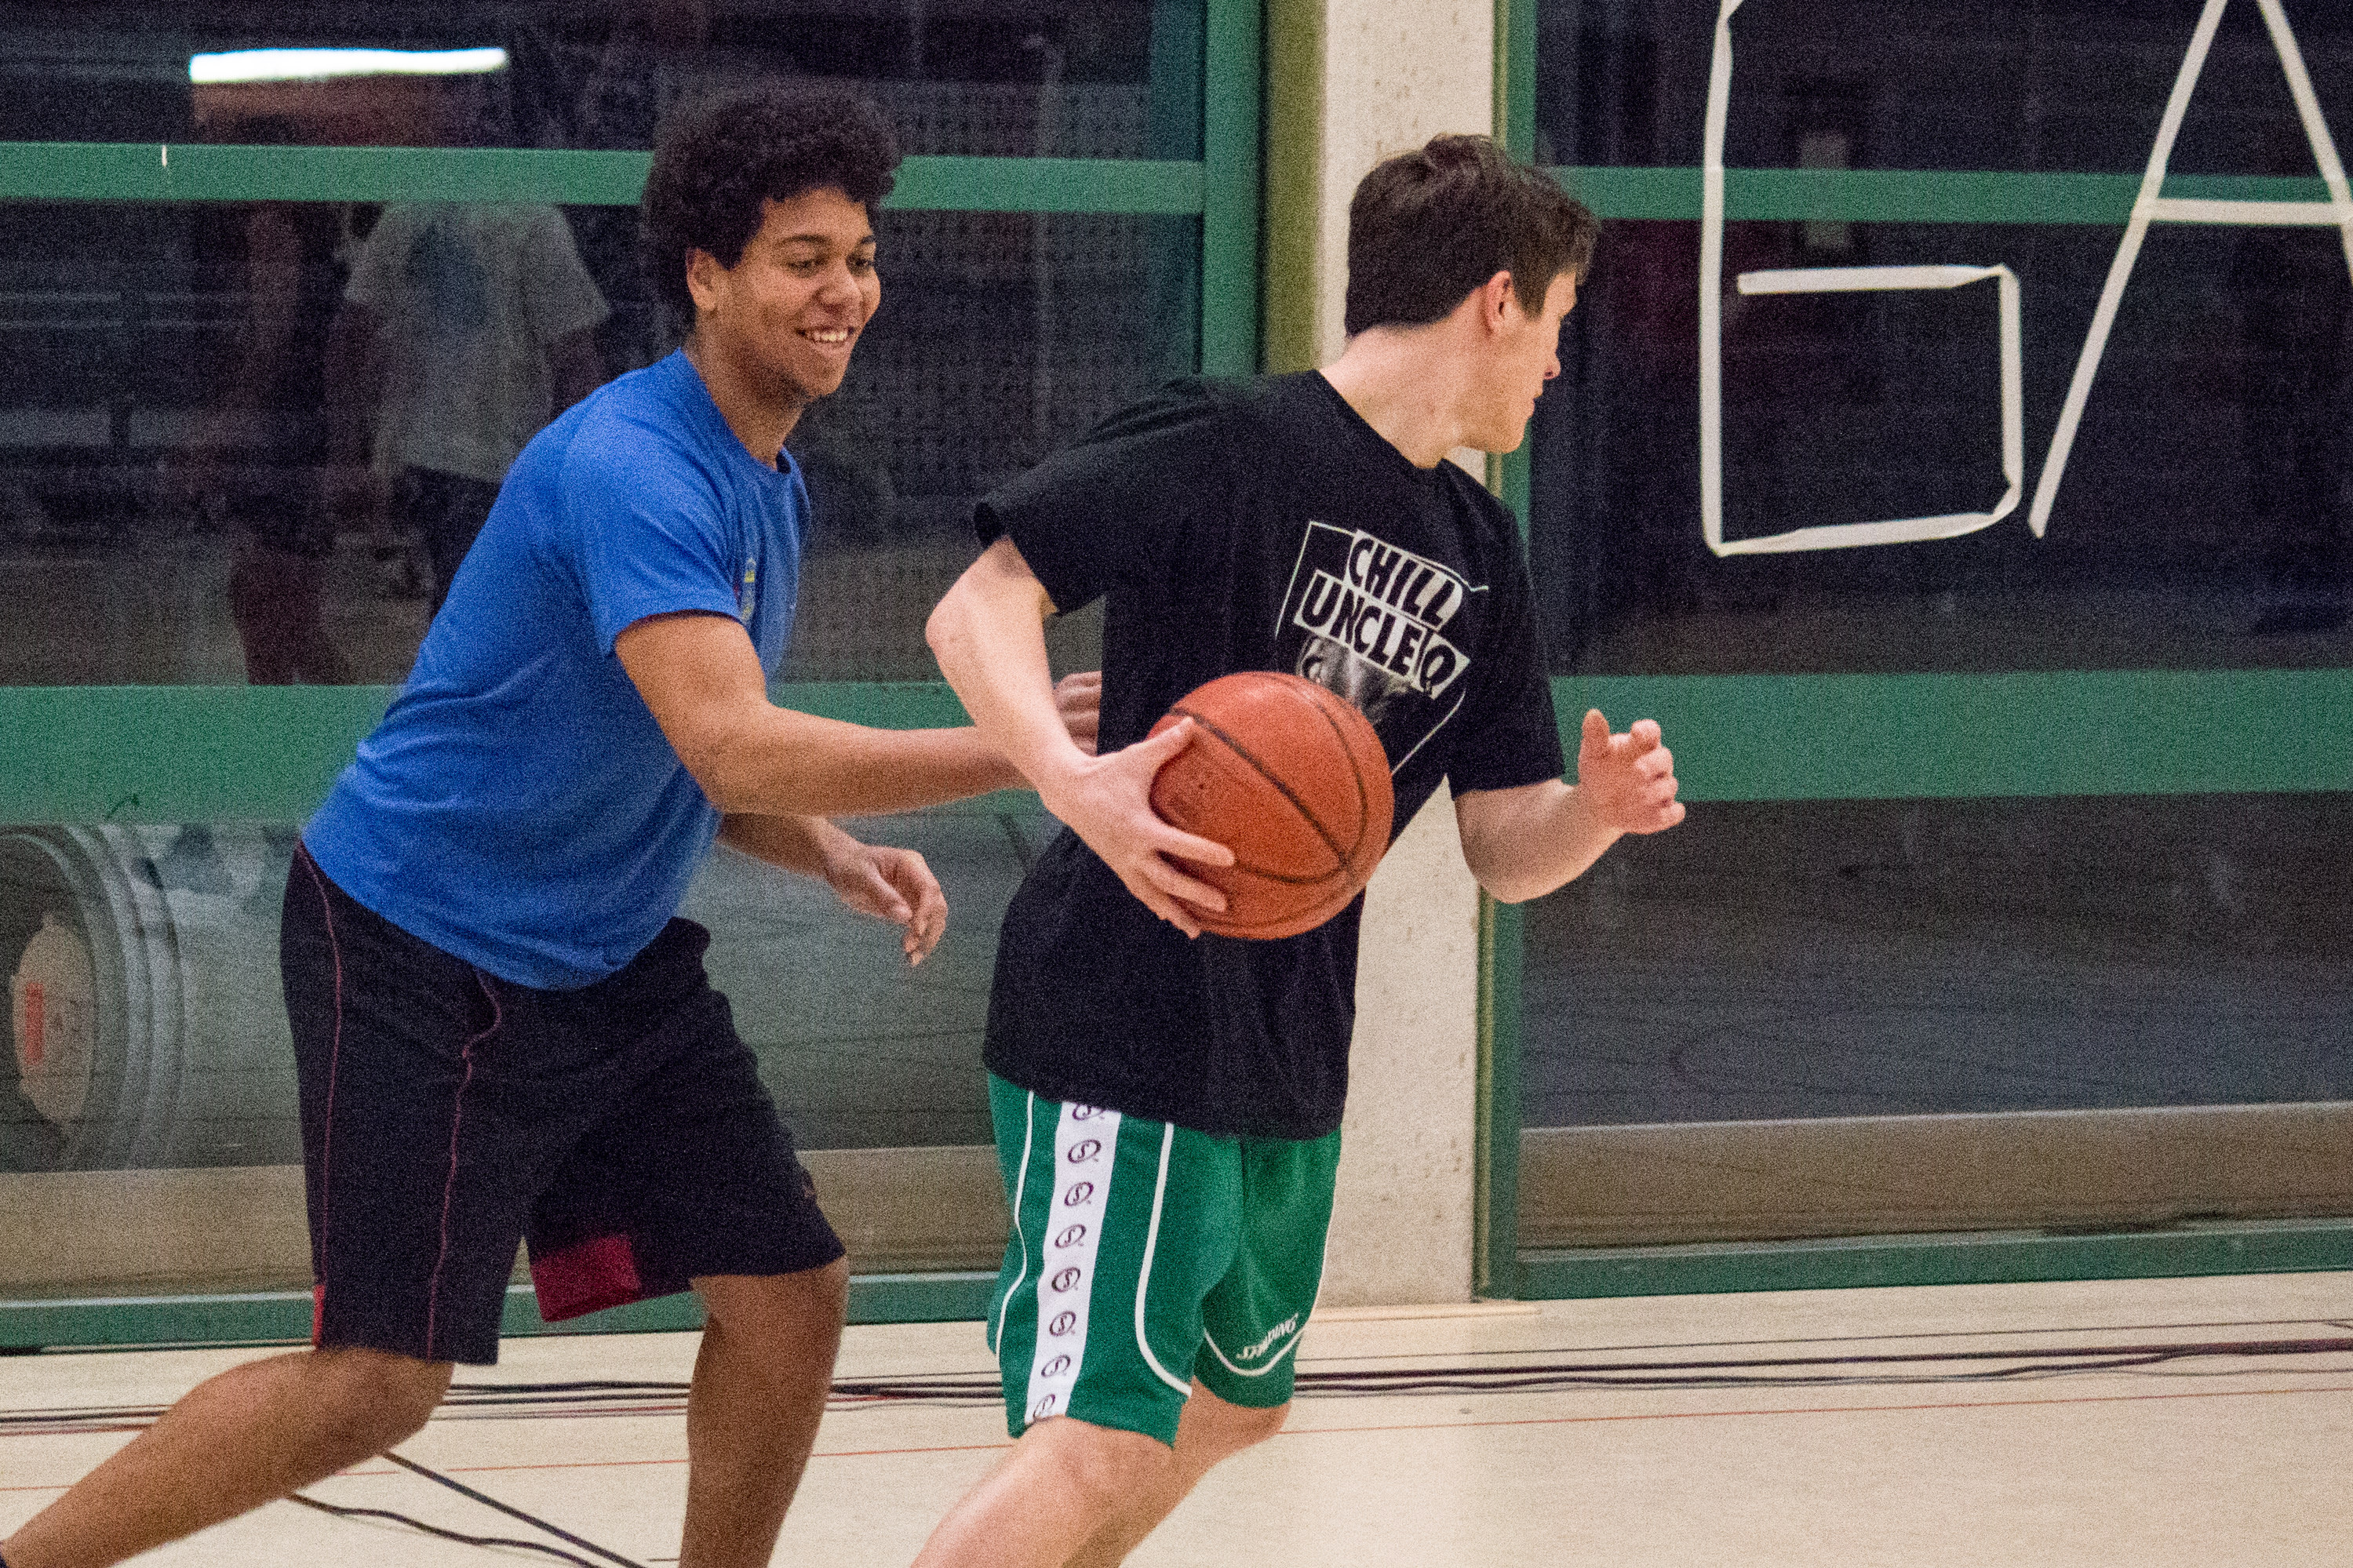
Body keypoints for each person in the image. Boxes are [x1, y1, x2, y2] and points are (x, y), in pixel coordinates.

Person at [2, 85, 1092, 1568]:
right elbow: (726, 734)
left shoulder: (764, 480)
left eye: (859, 257)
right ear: (708, 276)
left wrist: (824, 842)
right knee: (375, 1384)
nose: (845, 290)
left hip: (600, 960)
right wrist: (1031, 749)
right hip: (419, 942)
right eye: (802, 260)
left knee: (789, 1295)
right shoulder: (633, 466)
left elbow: (685, 749)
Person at [914, 134, 1685, 1566]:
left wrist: (1591, 812)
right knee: (1099, 1436)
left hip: (1289, 1038)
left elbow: (1500, 846)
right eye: (1559, 325)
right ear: (1499, 301)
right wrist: (1072, 783)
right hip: (1125, 1011)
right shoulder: (1225, 437)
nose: (1556, 368)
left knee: (1231, 1407)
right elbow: (979, 607)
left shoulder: (1480, 548)